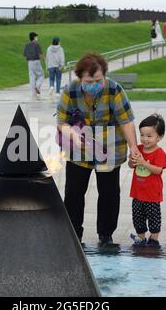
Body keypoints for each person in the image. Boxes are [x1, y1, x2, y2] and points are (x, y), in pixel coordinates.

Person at [57, 52, 140, 246]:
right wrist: (75, 136)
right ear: (80, 78)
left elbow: (126, 120)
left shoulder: (114, 89)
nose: (94, 83)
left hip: (109, 148)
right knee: (73, 193)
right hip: (79, 149)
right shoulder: (70, 91)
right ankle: (74, 234)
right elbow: (62, 122)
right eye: (89, 80)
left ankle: (106, 234)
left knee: (109, 193)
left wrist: (133, 147)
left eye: (98, 79)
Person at [128, 114, 166, 247]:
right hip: (137, 193)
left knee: (153, 217)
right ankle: (140, 237)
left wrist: (143, 162)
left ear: (159, 137)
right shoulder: (138, 149)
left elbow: (158, 170)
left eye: (149, 136)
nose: (145, 139)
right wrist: (132, 161)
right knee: (138, 216)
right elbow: (131, 165)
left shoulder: (159, 153)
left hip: (152, 194)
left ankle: (154, 238)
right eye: (142, 135)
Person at [23, 32, 45, 99]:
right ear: (34, 37)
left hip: (29, 62)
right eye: (36, 37)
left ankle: (33, 93)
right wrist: (45, 59)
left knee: (32, 77)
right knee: (41, 75)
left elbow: (24, 54)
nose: (37, 38)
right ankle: (37, 86)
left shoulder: (27, 45)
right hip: (36, 61)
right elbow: (40, 54)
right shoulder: (36, 45)